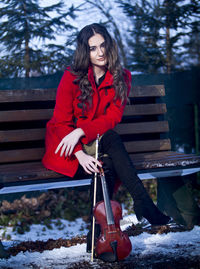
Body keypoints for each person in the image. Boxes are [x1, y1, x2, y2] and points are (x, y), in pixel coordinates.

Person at [42, 23, 170, 252]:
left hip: (96, 142)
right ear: (85, 52)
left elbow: (113, 117)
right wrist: (79, 153)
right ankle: (142, 201)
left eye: (103, 45)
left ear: (109, 45)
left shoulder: (122, 77)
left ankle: (96, 238)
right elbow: (60, 123)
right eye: (93, 48)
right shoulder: (71, 78)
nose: (100, 52)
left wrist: (82, 131)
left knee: (107, 162)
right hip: (66, 146)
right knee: (109, 145)